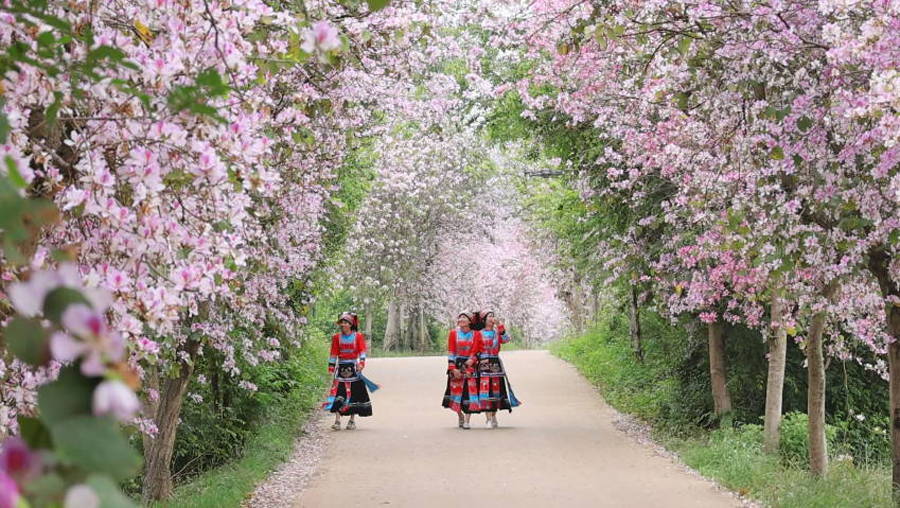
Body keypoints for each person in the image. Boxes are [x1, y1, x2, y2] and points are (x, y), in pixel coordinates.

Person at [326, 312, 372, 430]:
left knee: (354, 394)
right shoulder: (336, 338)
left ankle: (352, 420)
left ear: (351, 324)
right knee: (338, 393)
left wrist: (361, 363)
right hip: (341, 369)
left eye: (346, 322)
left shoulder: (358, 337)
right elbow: (333, 353)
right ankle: (337, 421)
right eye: (342, 322)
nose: (343, 325)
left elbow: (362, 351)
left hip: (354, 368)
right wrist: (331, 367)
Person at [441, 312, 482, 429]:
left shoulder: (476, 334)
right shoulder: (453, 333)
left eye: (464, 317)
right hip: (456, 364)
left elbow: (476, 352)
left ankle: (467, 421)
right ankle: (460, 415)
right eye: (459, 317)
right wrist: (453, 369)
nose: (461, 319)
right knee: (455, 393)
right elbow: (451, 352)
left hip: (470, 365)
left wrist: (469, 364)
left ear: (470, 321)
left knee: (469, 393)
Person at [477, 312, 513, 428]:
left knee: (496, 390)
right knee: (485, 390)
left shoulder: (497, 333)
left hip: (495, 364)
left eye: (493, 316)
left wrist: (501, 327)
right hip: (483, 364)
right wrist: (478, 359)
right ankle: (487, 419)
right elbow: (474, 348)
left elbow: (507, 339)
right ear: (484, 320)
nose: (492, 318)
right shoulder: (479, 333)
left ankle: (493, 415)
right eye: (489, 316)